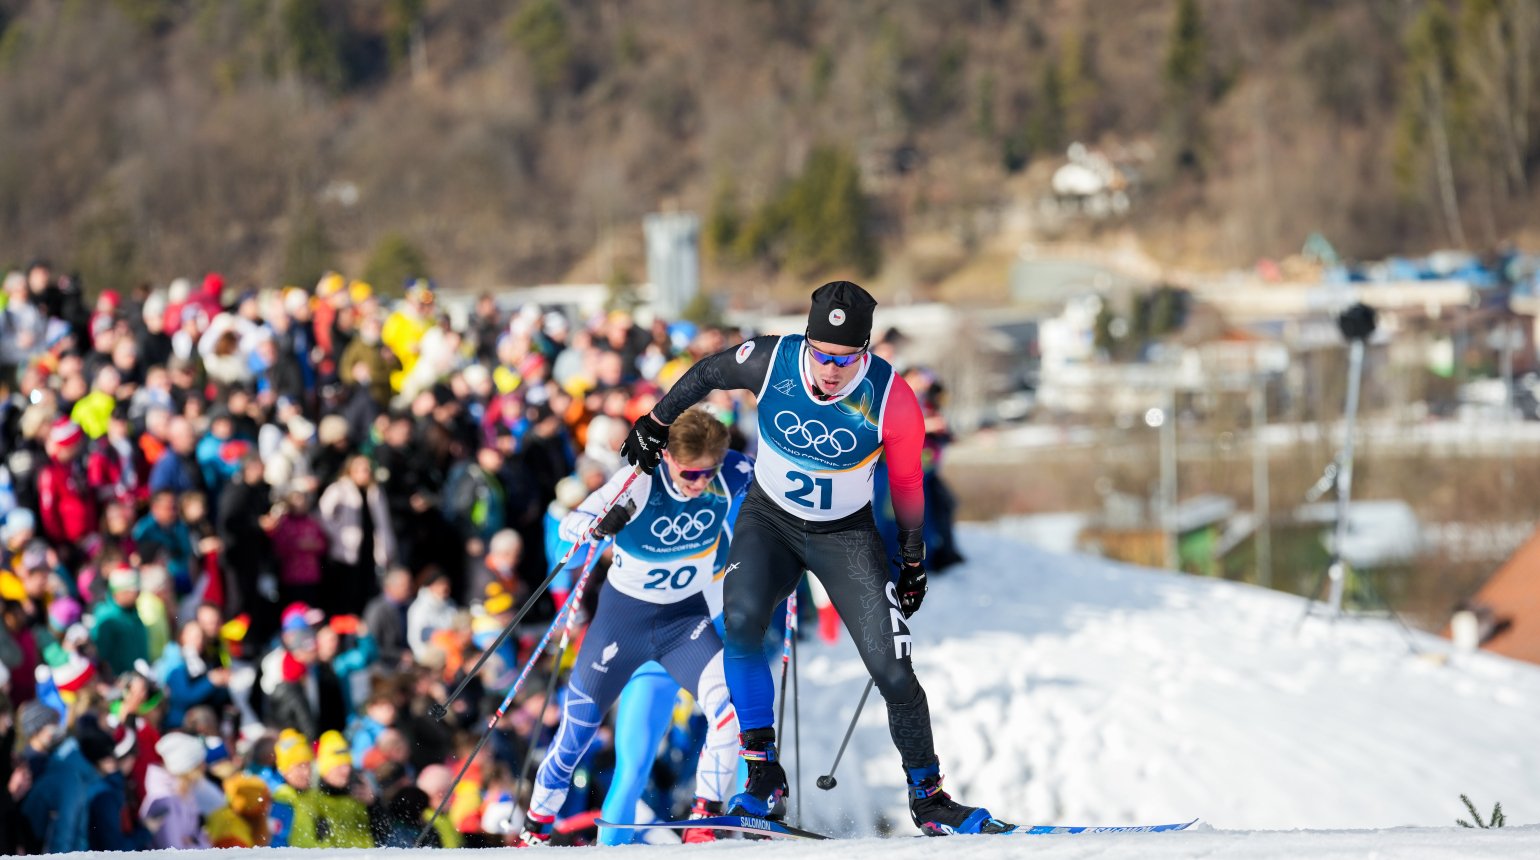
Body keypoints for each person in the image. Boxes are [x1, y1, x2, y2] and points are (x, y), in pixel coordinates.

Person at [620, 281, 1010, 835]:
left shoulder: (892, 397)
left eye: (844, 359)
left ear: (864, 352)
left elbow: (907, 483)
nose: (830, 370)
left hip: (844, 536)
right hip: (769, 522)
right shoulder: (772, 359)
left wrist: (913, 559)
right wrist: (657, 422)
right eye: (821, 354)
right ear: (806, 340)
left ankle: (929, 799)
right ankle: (763, 776)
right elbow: (707, 373)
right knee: (741, 625)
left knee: (893, 669)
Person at [518, 408, 749, 846]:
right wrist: (596, 526)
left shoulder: (732, 472)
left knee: (729, 712)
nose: (699, 482)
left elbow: (785, 489)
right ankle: (536, 828)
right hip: (622, 627)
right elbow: (569, 524)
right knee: (575, 737)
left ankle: (703, 822)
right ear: (668, 458)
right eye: (690, 473)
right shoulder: (639, 483)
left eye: (708, 472)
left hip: (685, 624)